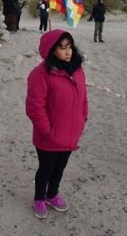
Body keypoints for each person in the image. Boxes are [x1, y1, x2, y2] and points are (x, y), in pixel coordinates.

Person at [26, 29, 88, 219]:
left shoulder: (77, 69)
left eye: (69, 46)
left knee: (60, 167)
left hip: (70, 132)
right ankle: (39, 197)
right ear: (52, 50)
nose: (67, 52)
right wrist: (48, 131)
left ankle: (52, 194)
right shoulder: (40, 74)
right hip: (50, 136)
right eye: (61, 48)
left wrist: (83, 118)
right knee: (46, 168)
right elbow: (35, 107)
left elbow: (83, 97)